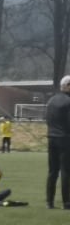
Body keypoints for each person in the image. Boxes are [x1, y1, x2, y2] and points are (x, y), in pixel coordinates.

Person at [46, 75, 70, 209]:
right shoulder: (68, 101)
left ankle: (49, 202)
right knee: (66, 171)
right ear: (68, 86)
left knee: (52, 171)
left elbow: (47, 119)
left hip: (51, 137)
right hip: (65, 139)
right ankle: (66, 202)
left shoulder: (51, 100)